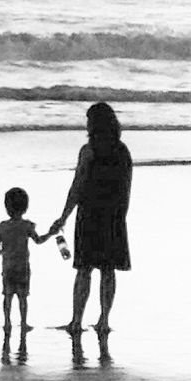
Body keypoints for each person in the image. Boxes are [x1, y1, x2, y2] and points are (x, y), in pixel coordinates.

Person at [50, 101, 132, 334]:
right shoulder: (122, 150)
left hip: (90, 214)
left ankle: (76, 321)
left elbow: (77, 186)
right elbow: (127, 185)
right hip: (114, 214)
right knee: (108, 269)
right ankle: (103, 320)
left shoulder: (89, 150)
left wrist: (64, 216)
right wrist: (122, 214)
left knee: (84, 269)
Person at [0, 186, 46, 333]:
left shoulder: (3, 226)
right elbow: (38, 240)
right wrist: (50, 234)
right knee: (23, 297)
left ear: (7, 207)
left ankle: (7, 322)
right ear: (25, 207)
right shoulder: (26, 226)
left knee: (8, 296)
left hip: (8, 267)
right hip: (22, 267)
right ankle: (23, 323)